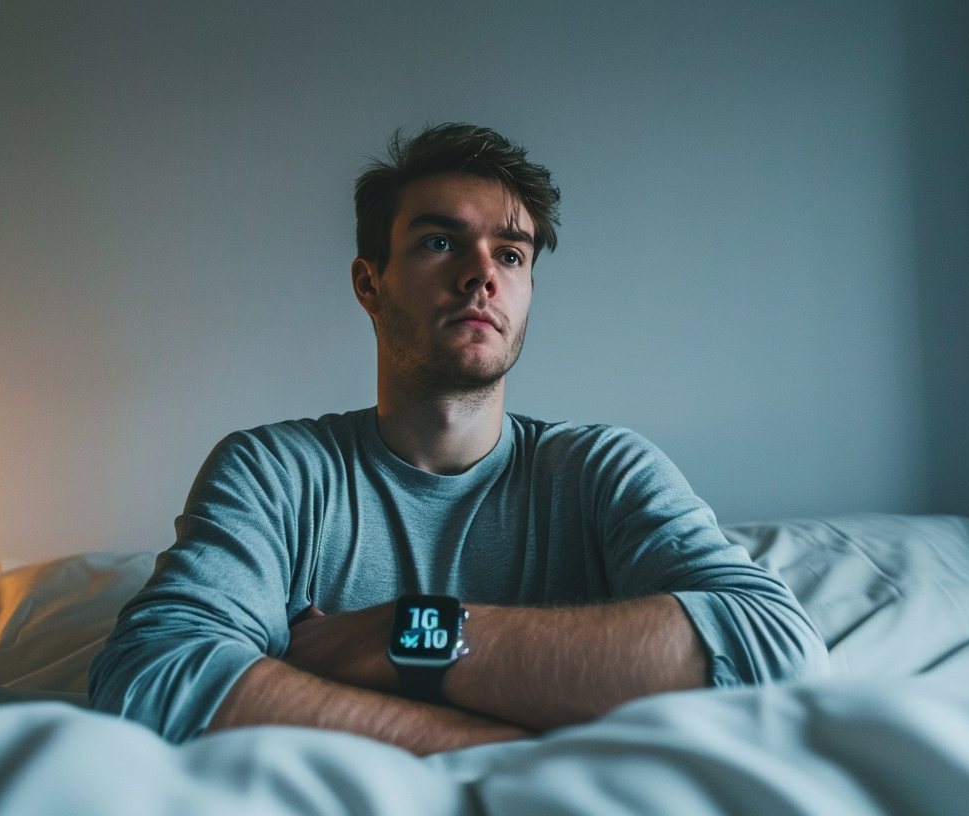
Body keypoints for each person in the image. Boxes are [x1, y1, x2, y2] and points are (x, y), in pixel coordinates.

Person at [88, 123, 828, 755]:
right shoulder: (275, 472)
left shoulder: (601, 470)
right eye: (441, 241)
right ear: (368, 283)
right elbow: (151, 675)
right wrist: (495, 744)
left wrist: (395, 637)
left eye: (511, 254)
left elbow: (776, 650)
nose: (482, 274)